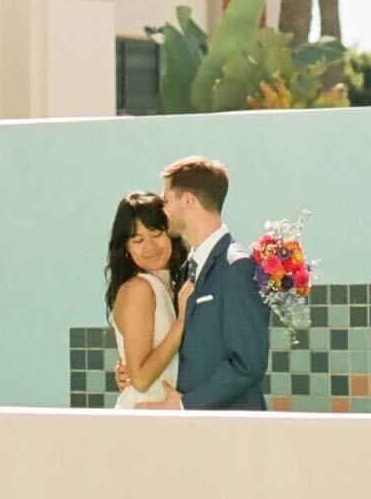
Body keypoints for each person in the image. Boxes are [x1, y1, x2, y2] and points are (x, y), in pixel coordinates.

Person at [122, 154, 269, 410]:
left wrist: (184, 405)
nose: (163, 210)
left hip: (231, 428)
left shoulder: (237, 267)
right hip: (195, 433)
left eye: (166, 200)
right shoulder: (184, 270)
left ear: (187, 199)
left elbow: (249, 363)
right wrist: (132, 366)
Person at [105, 191, 194, 409]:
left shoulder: (170, 285)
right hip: (142, 420)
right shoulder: (139, 289)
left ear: (170, 233)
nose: (150, 247)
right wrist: (182, 322)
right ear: (125, 247)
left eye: (156, 234)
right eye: (137, 240)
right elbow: (141, 379)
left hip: (163, 418)